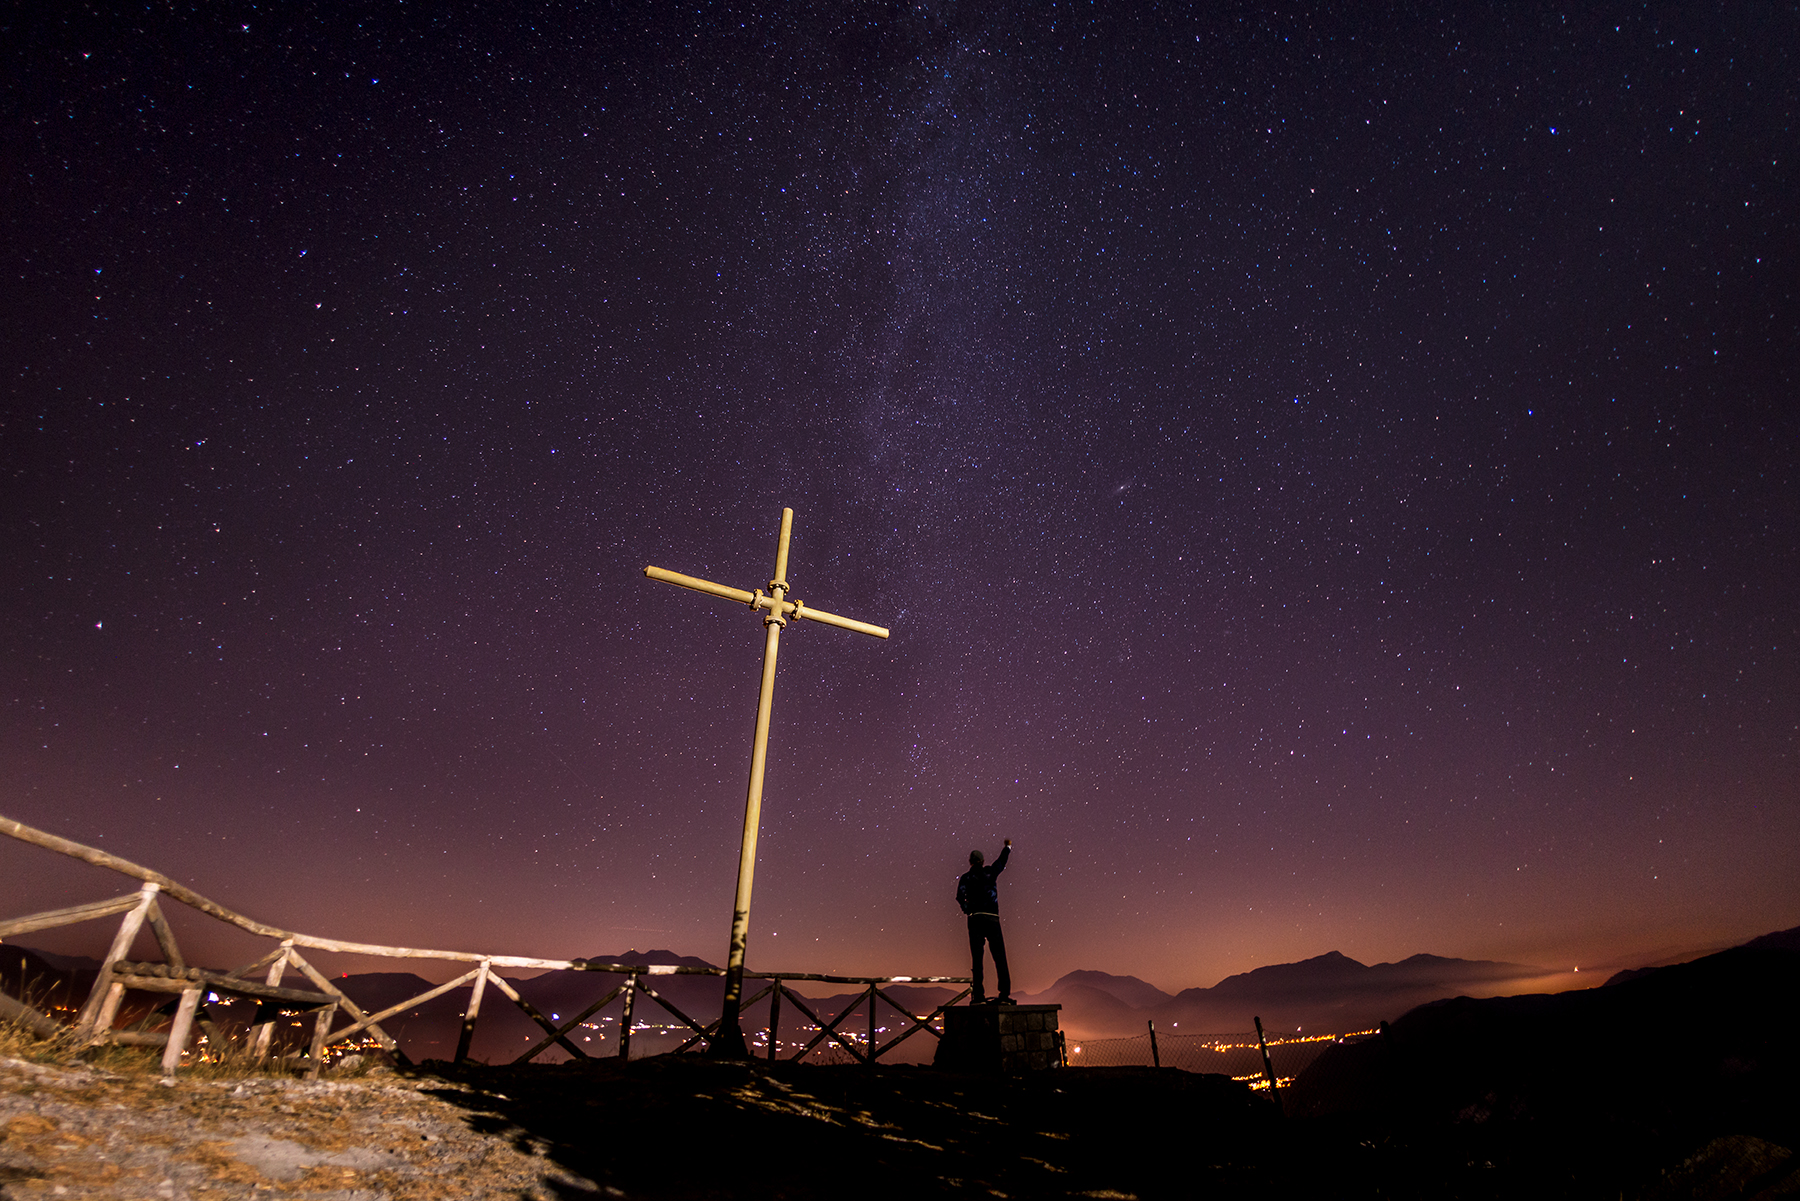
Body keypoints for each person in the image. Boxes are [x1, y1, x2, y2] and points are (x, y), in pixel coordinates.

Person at [956, 838, 1013, 1005]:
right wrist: (1007, 847)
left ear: (970, 862)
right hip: (992, 919)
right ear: (982, 861)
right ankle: (1004, 994)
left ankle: (978, 996)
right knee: (1000, 957)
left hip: (975, 920)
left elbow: (960, 897)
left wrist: (968, 909)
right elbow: (1001, 863)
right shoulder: (989, 872)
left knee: (977, 959)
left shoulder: (966, 878)